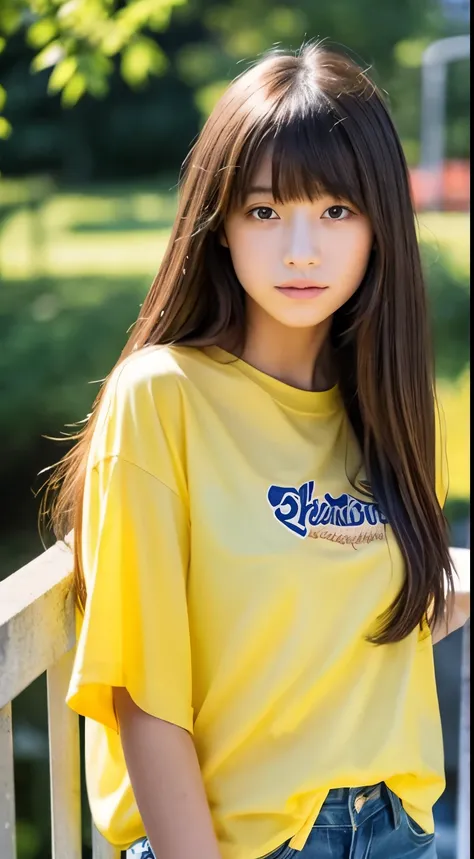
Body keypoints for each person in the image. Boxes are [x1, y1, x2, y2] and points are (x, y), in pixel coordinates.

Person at [44, 41, 469, 859]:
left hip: (400, 835)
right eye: (266, 211)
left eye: (337, 210)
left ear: (381, 223)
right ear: (220, 224)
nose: (301, 249)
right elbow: (146, 694)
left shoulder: (384, 408)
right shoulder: (162, 397)